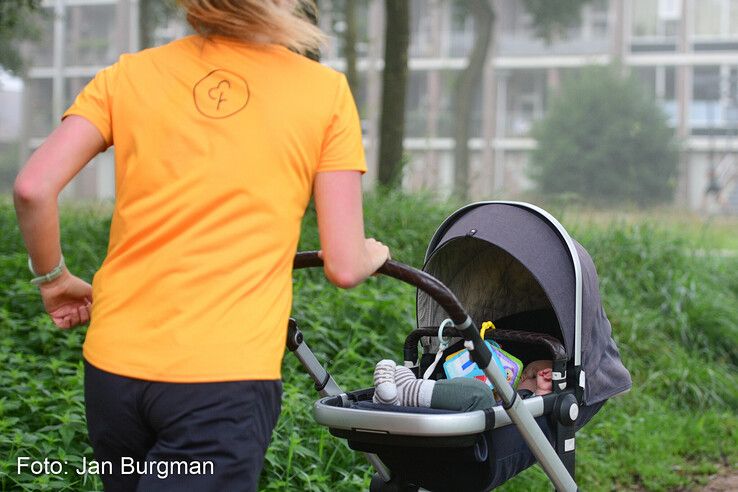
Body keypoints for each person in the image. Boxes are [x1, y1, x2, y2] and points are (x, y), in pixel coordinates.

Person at [13, 1, 389, 490]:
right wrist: (372, 252)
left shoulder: (129, 75)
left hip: (113, 373)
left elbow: (32, 188)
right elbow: (343, 263)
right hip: (221, 383)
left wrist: (53, 278)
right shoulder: (324, 93)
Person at [372, 359, 553, 412]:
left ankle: (405, 388)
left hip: (489, 422)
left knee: (479, 392)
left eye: (531, 375)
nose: (522, 377)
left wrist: (542, 391)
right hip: (448, 408)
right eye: (524, 372)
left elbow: (539, 417)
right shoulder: (498, 387)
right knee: (469, 386)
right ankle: (402, 390)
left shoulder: (532, 398)